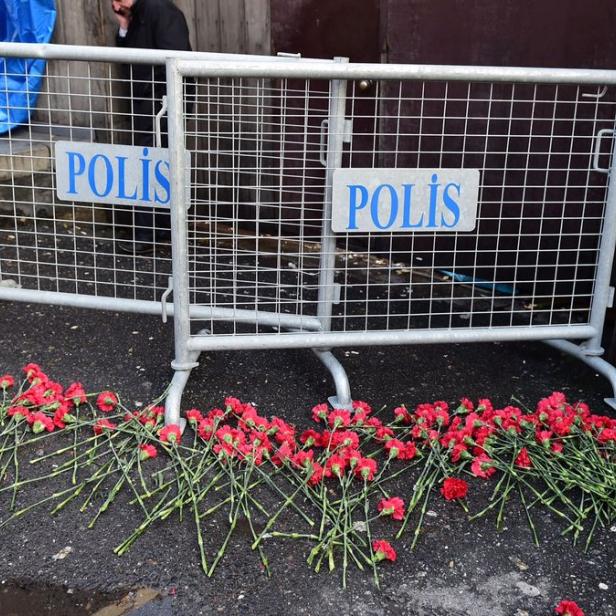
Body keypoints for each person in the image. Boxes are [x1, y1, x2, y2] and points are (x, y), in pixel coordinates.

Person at [111, 0, 192, 254]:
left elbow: (176, 58)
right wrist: (124, 25)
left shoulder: (160, 11)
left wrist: (158, 98)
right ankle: (160, 228)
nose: (115, 3)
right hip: (153, 103)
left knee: (148, 163)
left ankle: (149, 232)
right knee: (152, 162)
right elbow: (129, 57)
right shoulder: (140, 14)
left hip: (161, 104)